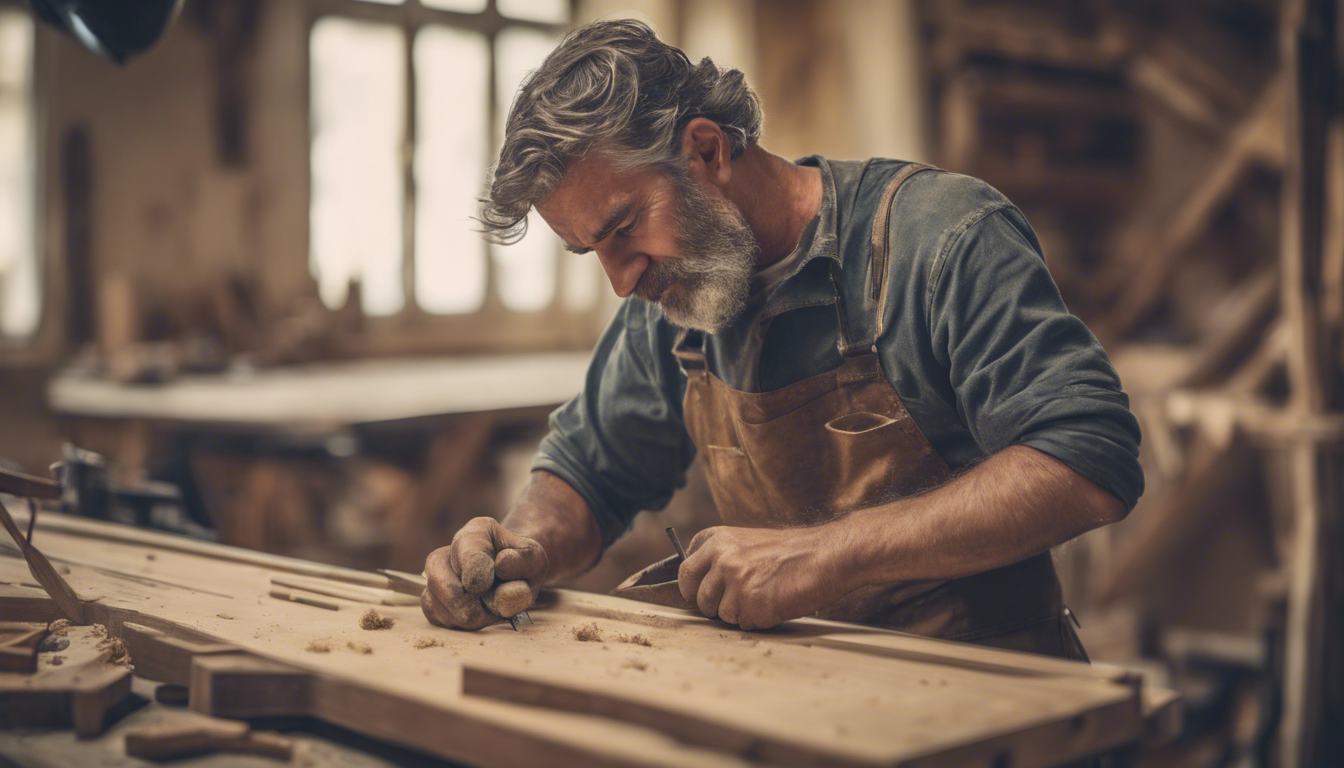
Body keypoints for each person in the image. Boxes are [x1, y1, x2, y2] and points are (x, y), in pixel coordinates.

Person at [419, 19, 1142, 659]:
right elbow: (591, 467)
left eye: (624, 229)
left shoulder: (942, 237)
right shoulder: (671, 292)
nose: (620, 279)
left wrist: (825, 554)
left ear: (705, 149)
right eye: (591, 252)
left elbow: (1087, 461)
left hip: (996, 696)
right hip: (803, 698)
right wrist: (519, 549)